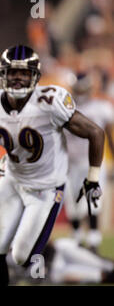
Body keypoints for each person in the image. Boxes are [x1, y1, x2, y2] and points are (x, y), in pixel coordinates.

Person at [0, 44, 105, 286]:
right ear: (2, 74)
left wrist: (93, 177)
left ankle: (69, 261)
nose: (18, 78)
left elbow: (95, 133)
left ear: (34, 75)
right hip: (12, 181)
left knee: (22, 255)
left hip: (46, 187)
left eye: (24, 72)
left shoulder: (50, 101)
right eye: (13, 72)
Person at [63, 71, 114, 253]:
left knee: (93, 199)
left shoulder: (101, 107)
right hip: (70, 164)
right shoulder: (64, 109)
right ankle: (77, 239)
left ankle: (93, 239)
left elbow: (108, 135)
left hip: (94, 163)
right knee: (73, 203)